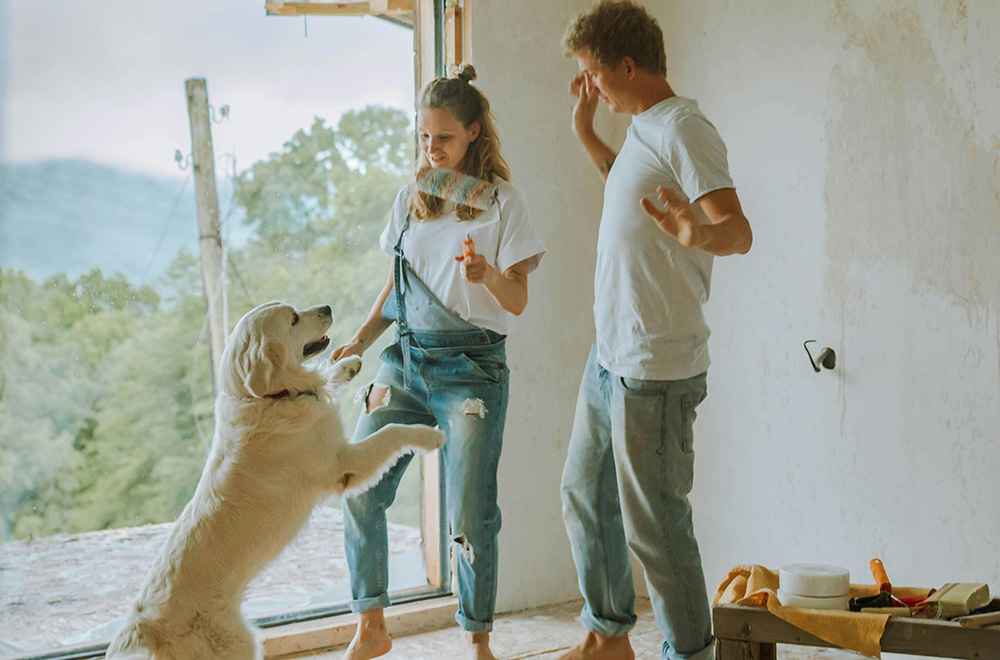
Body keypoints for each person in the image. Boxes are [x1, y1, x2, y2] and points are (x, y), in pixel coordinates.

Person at [557, 2, 753, 660]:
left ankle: (690, 653)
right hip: (610, 353)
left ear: (629, 65)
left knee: (657, 528)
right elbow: (626, 184)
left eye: (593, 75)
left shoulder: (686, 129)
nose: (591, 85)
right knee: (584, 490)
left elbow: (739, 230)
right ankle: (610, 635)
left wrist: (702, 232)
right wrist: (585, 128)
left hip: (654, 367)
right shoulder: (643, 126)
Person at [331, 64, 546, 660]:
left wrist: (487, 275)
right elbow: (398, 284)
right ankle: (371, 626)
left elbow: (519, 301)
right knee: (357, 485)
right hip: (405, 364)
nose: (432, 149)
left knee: (470, 516)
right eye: (424, 137)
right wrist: (360, 340)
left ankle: (476, 642)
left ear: (474, 132)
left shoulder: (503, 203)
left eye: (445, 137)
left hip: (472, 374)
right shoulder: (410, 199)